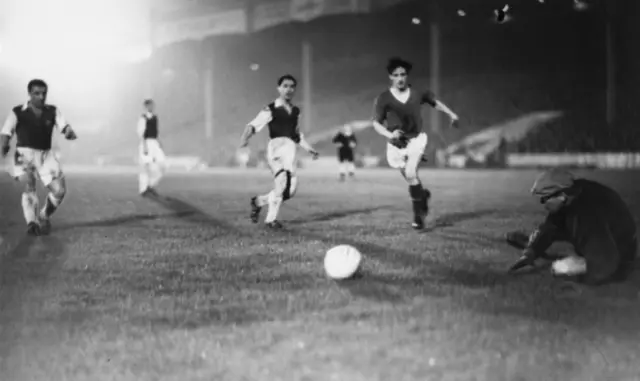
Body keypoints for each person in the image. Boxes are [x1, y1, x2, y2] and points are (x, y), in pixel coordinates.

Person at [507, 168, 638, 285]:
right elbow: (552, 225)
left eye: (545, 199)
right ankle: (534, 242)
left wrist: (580, 275)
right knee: (558, 232)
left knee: (561, 267)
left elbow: (605, 264)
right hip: (611, 233)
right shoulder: (573, 194)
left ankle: (582, 257)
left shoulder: (585, 215)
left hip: (618, 249)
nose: (543, 204)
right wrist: (532, 251)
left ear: (561, 195)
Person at [372, 57, 460, 229]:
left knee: (411, 172)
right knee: (411, 179)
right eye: (396, 75)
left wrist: (452, 114)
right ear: (390, 77)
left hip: (415, 140)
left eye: (403, 74)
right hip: (396, 144)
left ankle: (418, 217)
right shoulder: (383, 98)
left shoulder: (417, 93)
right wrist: (390, 135)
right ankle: (423, 197)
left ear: (407, 76)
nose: (400, 78)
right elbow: (376, 123)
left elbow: (435, 103)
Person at [239, 74, 319, 229]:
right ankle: (271, 221)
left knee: (289, 191)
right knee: (281, 181)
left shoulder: (296, 111)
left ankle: (259, 201)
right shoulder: (271, 108)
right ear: (279, 88)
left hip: (290, 152)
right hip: (276, 149)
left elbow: (296, 134)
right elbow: (253, 125)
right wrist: (244, 138)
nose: (288, 89)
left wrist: (310, 149)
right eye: (285, 86)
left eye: (291, 86)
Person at [0, 79, 78, 235]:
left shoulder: (53, 111)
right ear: (29, 94)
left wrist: (69, 132)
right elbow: (6, 132)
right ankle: (31, 222)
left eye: (44, 93)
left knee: (59, 191)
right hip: (24, 155)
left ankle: (44, 215)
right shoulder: (17, 112)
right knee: (29, 185)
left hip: (46, 155)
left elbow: (64, 126)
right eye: (37, 93)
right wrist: (4, 145)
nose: (41, 97)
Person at [137, 99, 166, 196]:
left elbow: (156, 131)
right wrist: (144, 146)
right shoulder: (143, 118)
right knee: (145, 167)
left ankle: (151, 185)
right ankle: (143, 189)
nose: (151, 107)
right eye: (149, 105)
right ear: (146, 107)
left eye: (152, 105)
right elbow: (141, 133)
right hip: (146, 143)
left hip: (154, 143)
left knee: (162, 165)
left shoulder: (155, 118)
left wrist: (159, 141)